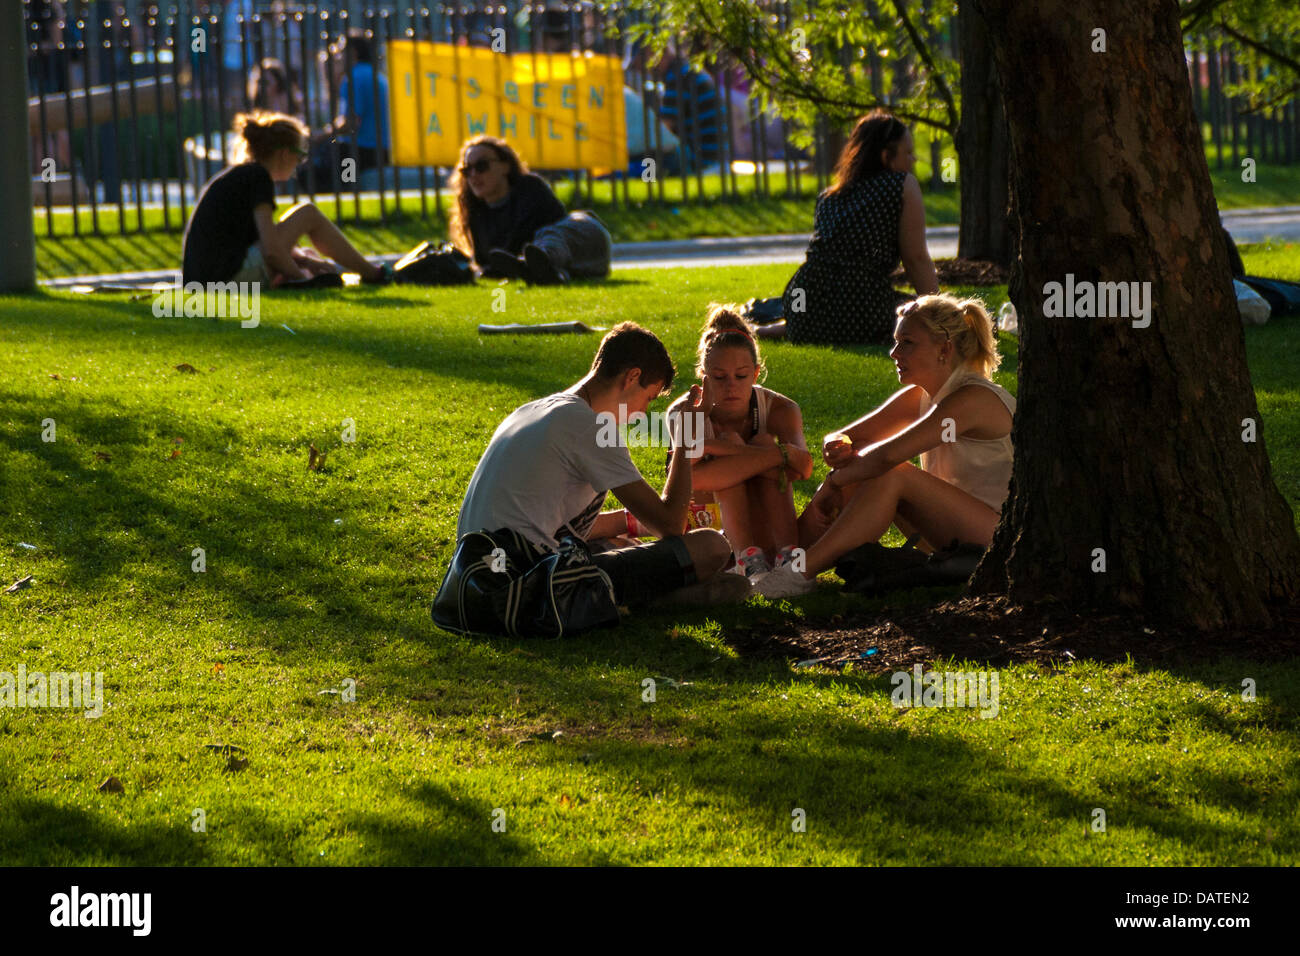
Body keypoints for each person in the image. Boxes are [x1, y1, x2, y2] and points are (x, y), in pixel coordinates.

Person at [456, 323, 743, 611]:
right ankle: (642, 602)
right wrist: (684, 440)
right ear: (632, 377)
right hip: (527, 585)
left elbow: (546, 522)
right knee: (711, 547)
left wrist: (630, 527)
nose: (642, 413)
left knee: (619, 544)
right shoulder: (590, 427)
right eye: (649, 398)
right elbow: (670, 526)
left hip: (477, 576)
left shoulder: (532, 410)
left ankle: (645, 594)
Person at [755, 295, 1014, 598]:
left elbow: (890, 456)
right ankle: (780, 557)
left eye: (907, 343)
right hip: (953, 528)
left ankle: (798, 575)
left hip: (998, 539)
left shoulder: (974, 398)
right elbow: (850, 437)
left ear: (944, 349)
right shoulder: (923, 395)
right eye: (896, 341)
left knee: (892, 472)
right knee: (866, 457)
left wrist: (835, 481)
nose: (893, 353)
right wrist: (837, 446)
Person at [758, 110, 939, 345]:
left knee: (816, 321)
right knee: (918, 321)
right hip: (859, 304)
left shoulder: (829, 195)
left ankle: (783, 329)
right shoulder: (901, 184)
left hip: (801, 299)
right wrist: (940, 314)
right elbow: (915, 259)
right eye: (908, 153)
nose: (913, 160)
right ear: (886, 156)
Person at [181, 111, 392, 287]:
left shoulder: (243, 176)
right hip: (224, 278)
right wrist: (302, 281)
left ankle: (298, 274)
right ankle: (375, 274)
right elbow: (272, 251)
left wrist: (307, 261)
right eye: (299, 156)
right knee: (308, 214)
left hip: (209, 278)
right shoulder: (258, 176)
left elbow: (262, 240)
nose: (299, 163)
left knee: (304, 252)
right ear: (284, 153)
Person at [684, 305, 813, 578]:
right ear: (703, 376)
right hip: (708, 537)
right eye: (719, 378)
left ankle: (788, 556)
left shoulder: (780, 409)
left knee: (764, 442)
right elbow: (688, 479)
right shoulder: (685, 411)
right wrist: (775, 454)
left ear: (755, 374)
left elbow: (804, 467)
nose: (731, 386)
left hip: (766, 531)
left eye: (741, 376)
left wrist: (739, 452)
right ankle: (747, 559)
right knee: (754, 451)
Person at [448, 136, 613, 285]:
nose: (473, 175)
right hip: (578, 268)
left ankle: (540, 262)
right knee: (544, 255)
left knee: (549, 235)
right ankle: (545, 272)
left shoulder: (530, 187)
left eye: (481, 166)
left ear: (505, 166)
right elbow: (488, 262)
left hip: (586, 244)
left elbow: (548, 225)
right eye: (466, 170)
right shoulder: (475, 213)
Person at [301, 31, 390, 191]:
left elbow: (350, 123)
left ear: (353, 53)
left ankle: (347, 192)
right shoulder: (377, 75)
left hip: (360, 150)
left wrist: (321, 136)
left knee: (310, 170)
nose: (338, 56)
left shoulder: (353, 77)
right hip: (383, 149)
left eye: (341, 51)